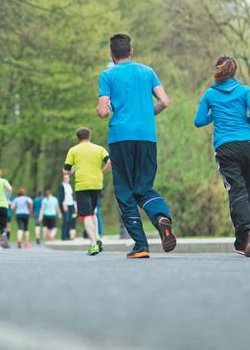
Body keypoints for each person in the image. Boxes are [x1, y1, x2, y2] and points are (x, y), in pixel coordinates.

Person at [97, 33, 176, 259]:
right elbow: (165, 101)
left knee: (124, 190)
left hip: (121, 137)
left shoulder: (107, 75)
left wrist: (101, 110)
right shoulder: (147, 71)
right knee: (143, 186)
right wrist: (146, 114)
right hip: (146, 137)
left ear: (111, 54)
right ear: (131, 51)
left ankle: (141, 245)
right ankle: (162, 217)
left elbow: (103, 111)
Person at [194, 56, 250, 257]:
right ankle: (243, 242)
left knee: (236, 189)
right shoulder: (244, 90)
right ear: (234, 71)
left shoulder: (210, 94)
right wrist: (248, 121)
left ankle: (247, 228)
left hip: (226, 146)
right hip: (249, 144)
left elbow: (198, 121)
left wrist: (215, 113)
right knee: (249, 188)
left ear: (217, 72)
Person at [63, 128, 111, 256]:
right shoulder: (99, 148)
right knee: (93, 212)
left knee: (86, 216)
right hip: (97, 184)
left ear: (78, 138)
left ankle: (93, 244)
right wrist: (101, 172)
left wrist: (73, 169)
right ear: (89, 136)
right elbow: (110, 162)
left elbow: (65, 171)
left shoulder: (73, 150)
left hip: (82, 186)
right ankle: (97, 236)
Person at [59, 170, 77, 240]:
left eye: (68, 177)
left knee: (71, 220)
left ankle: (69, 235)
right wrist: (63, 205)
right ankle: (64, 236)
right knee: (66, 220)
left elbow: (72, 195)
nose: (67, 178)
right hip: (65, 204)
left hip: (71, 204)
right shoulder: (62, 186)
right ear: (63, 178)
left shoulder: (69, 185)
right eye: (66, 177)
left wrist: (75, 204)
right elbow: (61, 197)